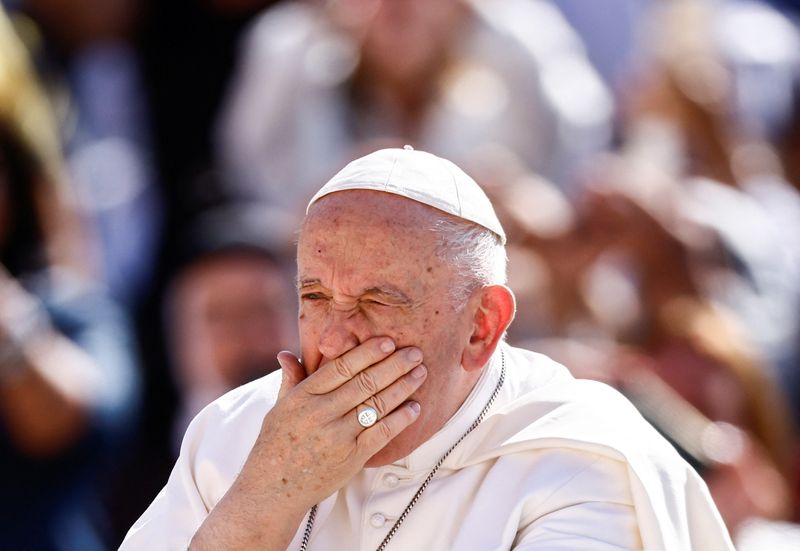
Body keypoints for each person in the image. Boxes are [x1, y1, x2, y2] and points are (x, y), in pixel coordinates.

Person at [121, 147, 734, 550]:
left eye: (378, 302)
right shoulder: (236, 435)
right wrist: (263, 501)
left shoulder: (585, 463)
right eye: (314, 295)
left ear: (481, 327)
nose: (335, 339)